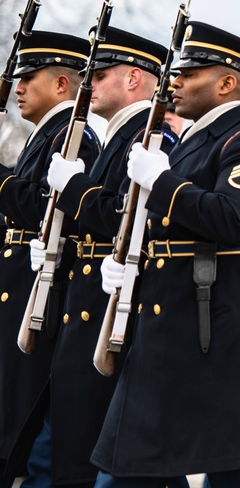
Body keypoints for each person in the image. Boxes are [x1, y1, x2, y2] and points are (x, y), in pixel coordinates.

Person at [91, 21, 240, 488]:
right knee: (133, 464)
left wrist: (161, 181)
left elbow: (232, 218)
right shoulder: (198, 140)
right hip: (172, 322)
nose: (175, 80)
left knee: (228, 471)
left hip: (217, 328)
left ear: (225, 84)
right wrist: (125, 267)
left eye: (190, 73)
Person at [8, 28, 170, 488]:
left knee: (85, 453)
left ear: (135, 79)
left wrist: (75, 190)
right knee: (63, 447)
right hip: (82, 308)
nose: (89, 84)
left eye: (99, 75)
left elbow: (128, 215)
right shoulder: (122, 136)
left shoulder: (146, 137)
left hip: (107, 313)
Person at [0, 32, 101, 484]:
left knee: (22, 427)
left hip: (39, 297)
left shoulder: (74, 136)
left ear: (63, 85)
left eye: (29, 78)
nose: (18, 87)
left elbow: (48, 207)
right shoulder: (48, 134)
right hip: (18, 289)